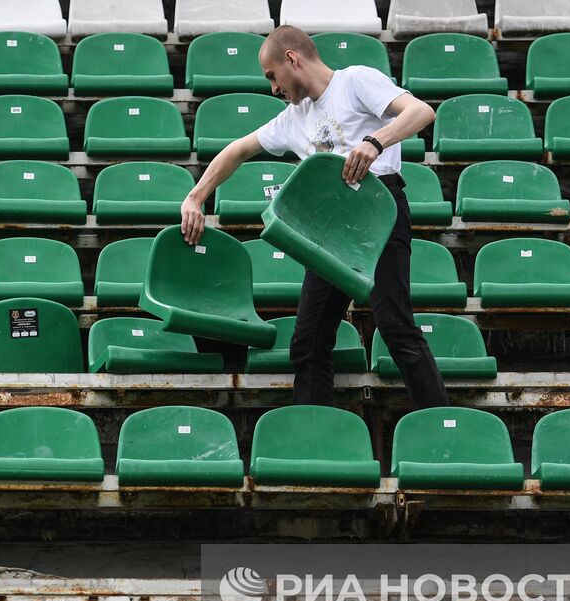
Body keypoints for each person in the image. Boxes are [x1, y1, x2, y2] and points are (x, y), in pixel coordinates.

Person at [180, 25, 449, 409]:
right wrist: (195, 196)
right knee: (309, 340)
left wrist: (375, 143)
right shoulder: (293, 118)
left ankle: (437, 424)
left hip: (378, 210)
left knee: (394, 324)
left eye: (273, 75)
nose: (272, 88)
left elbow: (421, 111)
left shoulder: (355, 81)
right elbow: (238, 150)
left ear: (292, 59)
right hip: (329, 226)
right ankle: (313, 435)